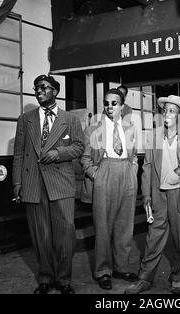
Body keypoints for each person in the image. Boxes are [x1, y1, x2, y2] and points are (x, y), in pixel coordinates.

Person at [12, 74, 84, 294]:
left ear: (55, 91)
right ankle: (45, 278)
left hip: (60, 183)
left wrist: (58, 153)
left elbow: (79, 147)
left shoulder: (70, 119)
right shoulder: (25, 119)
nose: (38, 91)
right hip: (33, 183)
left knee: (64, 235)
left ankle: (63, 280)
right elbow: (18, 154)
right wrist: (17, 183)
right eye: (36, 88)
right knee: (40, 235)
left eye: (43, 87)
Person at [125, 95, 180, 294]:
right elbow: (147, 166)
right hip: (159, 194)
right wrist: (147, 195)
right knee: (153, 237)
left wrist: (179, 171)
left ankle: (178, 277)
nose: (167, 114)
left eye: (172, 111)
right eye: (165, 110)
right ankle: (145, 278)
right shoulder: (154, 135)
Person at [81, 88, 139, 290]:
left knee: (125, 225)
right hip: (105, 172)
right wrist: (97, 175)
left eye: (114, 103)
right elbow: (86, 159)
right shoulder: (93, 129)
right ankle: (103, 271)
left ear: (122, 106)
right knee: (103, 227)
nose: (109, 106)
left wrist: (133, 170)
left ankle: (121, 268)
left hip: (127, 173)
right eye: (106, 103)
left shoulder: (130, 128)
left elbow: (134, 155)